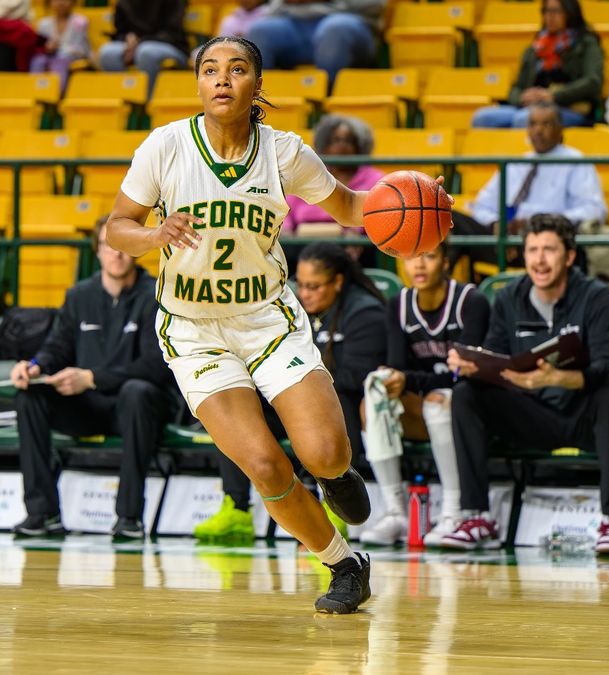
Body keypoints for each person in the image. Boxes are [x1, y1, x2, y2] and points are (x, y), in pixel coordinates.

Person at [107, 36, 434, 613]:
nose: (222, 79)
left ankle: (334, 475)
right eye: (210, 70)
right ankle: (343, 563)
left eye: (236, 70)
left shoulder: (284, 153)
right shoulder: (165, 147)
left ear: (257, 84)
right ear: (199, 84)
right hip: (193, 329)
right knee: (263, 464)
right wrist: (152, 235)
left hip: (266, 320)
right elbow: (117, 226)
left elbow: (356, 209)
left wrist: (420, 200)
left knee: (325, 452)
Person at [442, 214, 609, 553]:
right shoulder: (508, 297)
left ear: (569, 257)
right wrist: (475, 366)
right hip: (531, 413)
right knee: (466, 394)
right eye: (532, 250)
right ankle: (476, 516)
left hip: (582, 413)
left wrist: (562, 378)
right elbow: (496, 357)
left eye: (549, 250)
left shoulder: (597, 297)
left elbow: (608, 366)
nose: (539, 260)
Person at [195, 242, 387, 540]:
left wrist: (298, 378)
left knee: (339, 399)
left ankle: (335, 501)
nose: (305, 293)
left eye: (314, 286)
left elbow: (356, 377)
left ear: (337, 281)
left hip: (342, 405)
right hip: (283, 396)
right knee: (237, 415)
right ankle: (236, 507)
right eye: (301, 285)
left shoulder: (365, 313)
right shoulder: (291, 308)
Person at [9, 218, 174, 540]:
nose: (117, 254)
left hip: (136, 407)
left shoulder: (156, 294)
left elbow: (156, 364)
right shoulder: (79, 295)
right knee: (29, 395)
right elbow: (57, 346)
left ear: (137, 251)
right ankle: (42, 513)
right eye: (108, 246)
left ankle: (129, 517)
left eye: (125, 247)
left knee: (137, 392)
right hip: (87, 407)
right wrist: (35, 366)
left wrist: (92, 378)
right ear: (97, 251)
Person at [358, 242, 490, 547]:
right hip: (423, 401)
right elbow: (397, 368)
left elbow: (466, 372)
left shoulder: (471, 302)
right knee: (373, 398)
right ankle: (396, 512)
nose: (419, 265)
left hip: (469, 406)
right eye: (411, 257)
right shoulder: (399, 305)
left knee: (440, 401)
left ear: (446, 262)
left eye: (429, 256)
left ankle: (453, 512)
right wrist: (392, 379)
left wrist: (411, 380)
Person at [454, 103, 606, 266]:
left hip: (545, 242)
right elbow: (481, 205)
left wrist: (539, 222)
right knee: (449, 217)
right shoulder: (516, 163)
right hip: (504, 241)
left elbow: (594, 210)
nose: (538, 131)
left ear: (560, 129)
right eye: (533, 124)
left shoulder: (574, 162)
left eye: (546, 124)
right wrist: (496, 224)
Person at [471, 0, 603, 129]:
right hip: (531, 106)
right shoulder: (535, 47)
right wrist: (523, 97)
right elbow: (516, 87)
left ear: (571, 13)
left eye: (556, 11)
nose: (550, 16)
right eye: (546, 11)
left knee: (525, 119)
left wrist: (553, 95)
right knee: (482, 118)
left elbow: (592, 82)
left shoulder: (586, 44)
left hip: (569, 106)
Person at [282, 114, 383, 235]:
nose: (342, 145)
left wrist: (356, 233)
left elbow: (379, 213)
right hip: (302, 242)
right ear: (324, 145)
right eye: (335, 140)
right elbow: (286, 209)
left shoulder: (375, 179)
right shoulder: (311, 173)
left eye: (349, 140)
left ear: (359, 146)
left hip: (351, 243)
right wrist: (286, 230)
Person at [247, 0, 384, 88]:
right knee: (261, 31)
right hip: (294, 22)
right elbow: (273, 9)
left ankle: (326, 102)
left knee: (334, 29)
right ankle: (260, 103)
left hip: (346, 19)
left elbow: (376, 4)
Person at [97, 0, 189, 92]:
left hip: (171, 45)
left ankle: (148, 100)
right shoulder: (124, 2)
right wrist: (127, 37)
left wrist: (139, 43)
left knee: (146, 52)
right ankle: (122, 98)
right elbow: (120, 31)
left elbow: (171, 32)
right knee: (107, 53)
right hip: (136, 45)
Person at [31, 0, 91, 93]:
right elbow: (40, 45)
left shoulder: (80, 21)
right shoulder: (44, 23)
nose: (61, 3)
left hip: (74, 54)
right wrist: (47, 47)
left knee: (61, 57)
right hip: (50, 55)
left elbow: (80, 47)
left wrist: (57, 48)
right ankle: (36, 92)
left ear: (73, 2)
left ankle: (57, 93)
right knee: (38, 60)